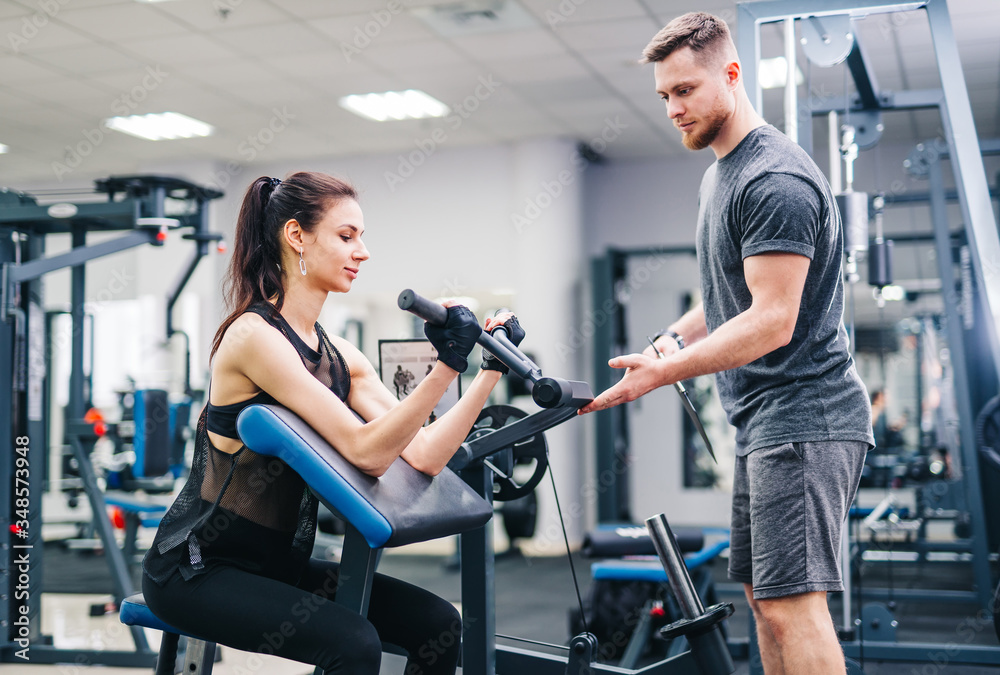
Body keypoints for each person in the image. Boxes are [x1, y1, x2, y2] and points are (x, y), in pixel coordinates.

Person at [579, 13, 873, 675]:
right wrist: (668, 342)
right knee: (765, 599)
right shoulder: (720, 175)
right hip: (764, 422)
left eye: (685, 90)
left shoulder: (773, 179)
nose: (673, 108)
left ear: (732, 75)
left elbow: (772, 320)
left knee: (793, 604)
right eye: (664, 96)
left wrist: (666, 372)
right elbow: (728, 299)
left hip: (806, 417)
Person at [141, 171, 523, 675]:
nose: (362, 251)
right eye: (347, 237)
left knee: (439, 624)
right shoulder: (253, 337)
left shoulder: (340, 355)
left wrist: (487, 369)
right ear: (296, 236)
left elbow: (426, 452)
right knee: (353, 644)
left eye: (361, 237)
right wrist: (446, 365)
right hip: (197, 570)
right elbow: (366, 450)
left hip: (276, 567)